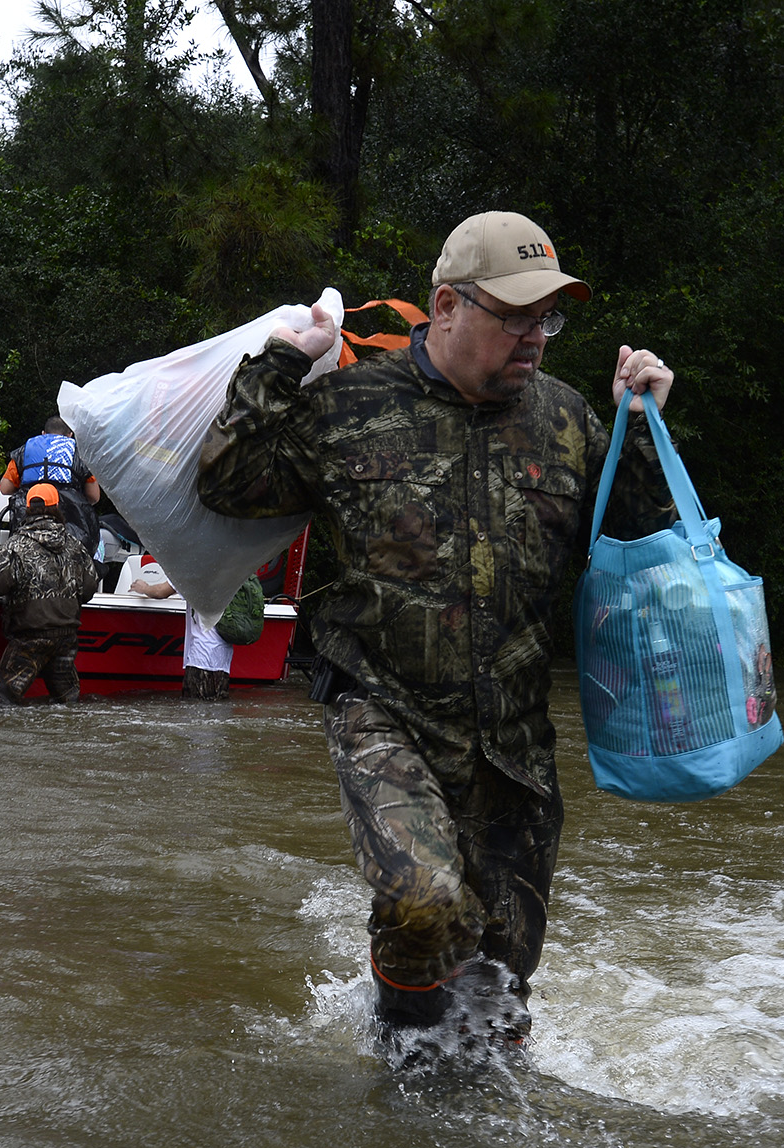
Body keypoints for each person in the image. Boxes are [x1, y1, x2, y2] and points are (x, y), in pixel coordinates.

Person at [197, 211, 679, 1039]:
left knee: (499, 989)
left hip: (514, 748)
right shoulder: (349, 406)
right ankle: (398, 1053)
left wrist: (642, 429)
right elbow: (227, 482)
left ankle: (462, 1126)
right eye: (516, 315)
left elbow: (644, 540)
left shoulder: (565, 418)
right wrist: (281, 364)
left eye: (547, 317)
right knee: (423, 906)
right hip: (384, 712)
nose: (535, 336)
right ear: (448, 305)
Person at [0, 484, 100, 704]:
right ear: (58, 508)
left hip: (30, 637)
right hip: (66, 636)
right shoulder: (75, 546)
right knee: (68, 703)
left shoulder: (17, 546)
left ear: (28, 509)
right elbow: (90, 587)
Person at [126, 559, 233, 700]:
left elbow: (160, 592)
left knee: (194, 711)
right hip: (223, 658)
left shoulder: (194, 570)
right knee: (215, 710)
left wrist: (143, 587)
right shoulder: (226, 570)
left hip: (201, 657)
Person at [2, 416, 101, 556]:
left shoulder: (25, 450)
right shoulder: (80, 454)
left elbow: (5, 488)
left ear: (43, 433)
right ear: (70, 435)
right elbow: (94, 496)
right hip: (71, 525)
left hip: (27, 519)